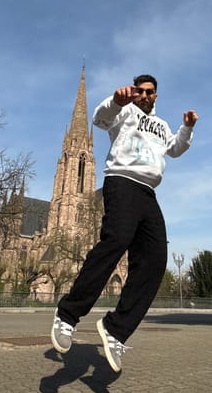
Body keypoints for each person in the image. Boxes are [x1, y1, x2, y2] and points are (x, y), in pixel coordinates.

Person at [51, 74, 198, 372]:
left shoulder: (161, 125)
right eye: (140, 91)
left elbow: (176, 149)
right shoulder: (124, 112)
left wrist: (187, 128)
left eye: (150, 92)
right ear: (134, 92)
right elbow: (100, 118)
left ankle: (115, 329)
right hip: (121, 182)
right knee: (116, 240)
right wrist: (116, 101)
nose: (145, 95)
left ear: (155, 95)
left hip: (148, 192)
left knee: (155, 260)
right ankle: (66, 316)